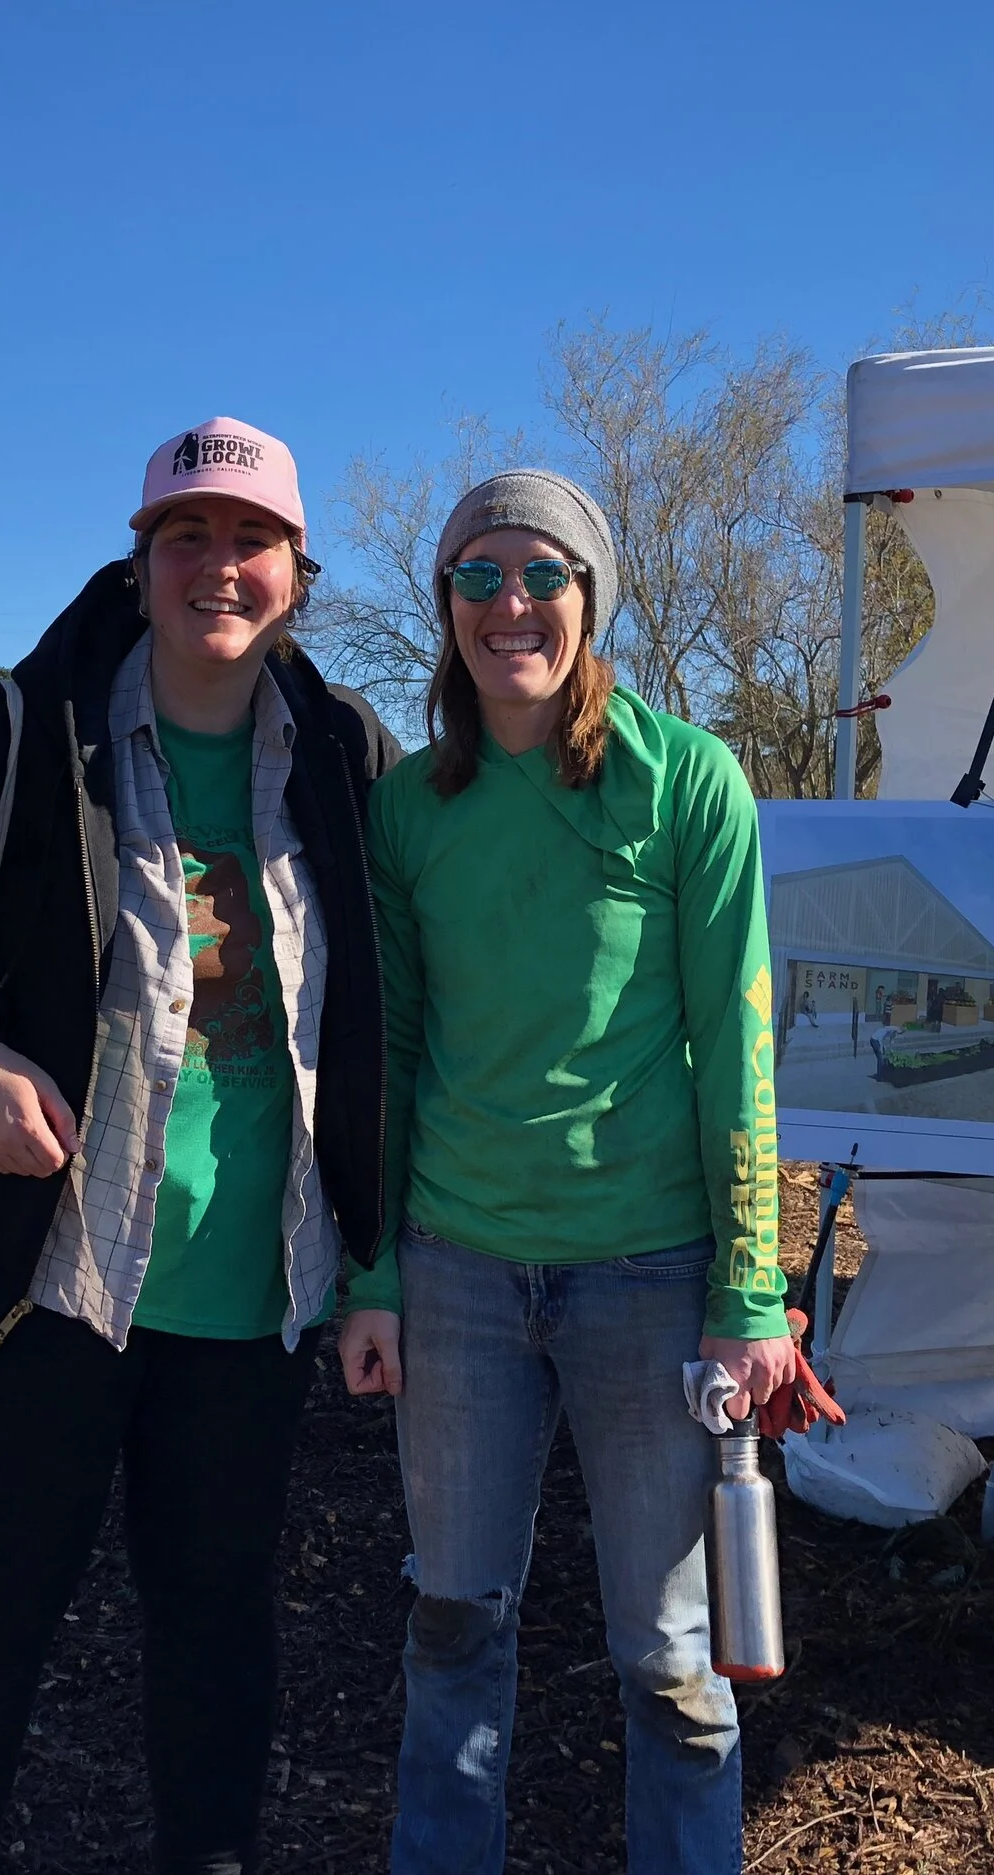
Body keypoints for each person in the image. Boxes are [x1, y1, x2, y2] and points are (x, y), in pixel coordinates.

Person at [0, 417, 399, 1874]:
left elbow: (407, 993)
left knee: (219, 1632)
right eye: (187, 538)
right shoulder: (9, 738)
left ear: (299, 575)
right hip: (44, 1282)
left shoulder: (345, 756)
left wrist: (379, 1253)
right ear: (138, 562)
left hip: (250, 1294)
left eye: (252, 541)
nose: (220, 566)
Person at [338, 469, 796, 1875]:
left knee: (674, 1658)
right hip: (459, 1267)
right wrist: (373, 1273)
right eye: (478, 576)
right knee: (454, 1623)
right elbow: (391, 1046)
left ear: (592, 598)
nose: (510, 604)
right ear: (446, 607)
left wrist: (753, 1285)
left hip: (651, 1277)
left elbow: (738, 1042)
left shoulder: (688, 781)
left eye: (541, 573)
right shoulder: (411, 806)